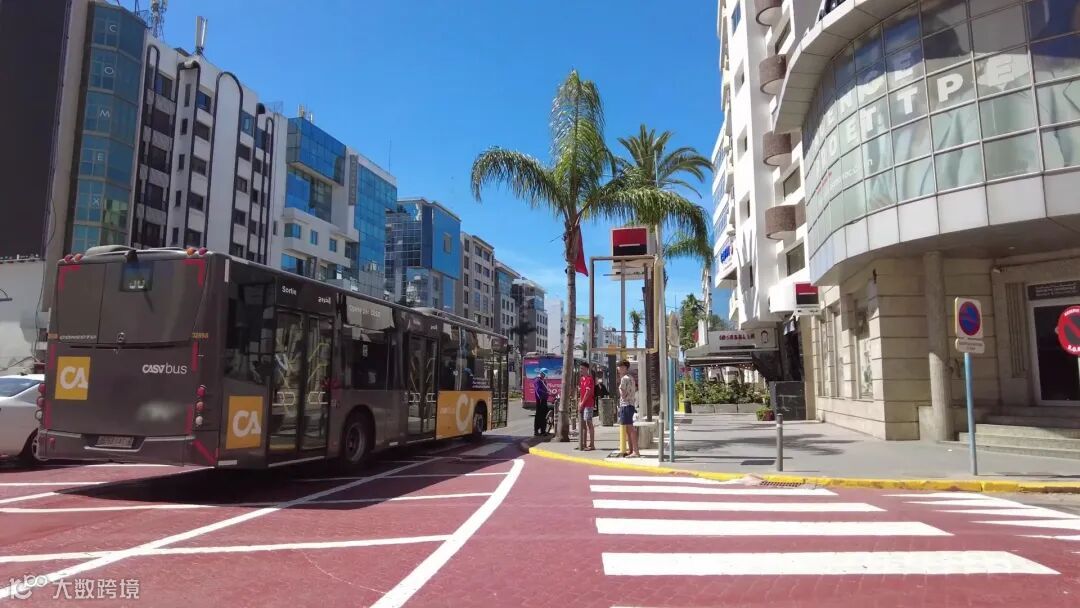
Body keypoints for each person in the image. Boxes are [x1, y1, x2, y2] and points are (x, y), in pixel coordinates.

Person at [617, 360, 640, 457]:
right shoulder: (631, 378)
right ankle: (631, 450)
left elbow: (623, 394)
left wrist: (620, 389)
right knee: (628, 428)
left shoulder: (624, 379)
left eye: (620, 367)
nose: (618, 369)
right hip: (631, 405)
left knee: (630, 428)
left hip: (625, 405)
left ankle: (635, 451)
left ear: (624, 368)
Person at [578, 362, 596, 451]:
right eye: (580, 368)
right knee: (583, 424)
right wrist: (580, 402)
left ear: (586, 369)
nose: (581, 370)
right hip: (583, 404)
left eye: (582, 368)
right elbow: (581, 392)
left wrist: (582, 403)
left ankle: (592, 444)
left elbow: (587, 393)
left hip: (588, 404)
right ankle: (583, 444)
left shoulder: (589, 379)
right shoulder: (582, 379)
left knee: (589, 422)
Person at [533, 369, 550, 436]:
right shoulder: (537, 380)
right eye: (543, 374)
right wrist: (546, 393)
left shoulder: (543, 380)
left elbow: (545, 389)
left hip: (544, 399)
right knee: (538, 415)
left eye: (545, 374)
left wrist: (548, 393)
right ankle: (536, 430)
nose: (544, 375)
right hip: (540, 400)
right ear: (541, 373)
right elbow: (538, 390)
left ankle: (543, 430)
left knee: (544, 416)